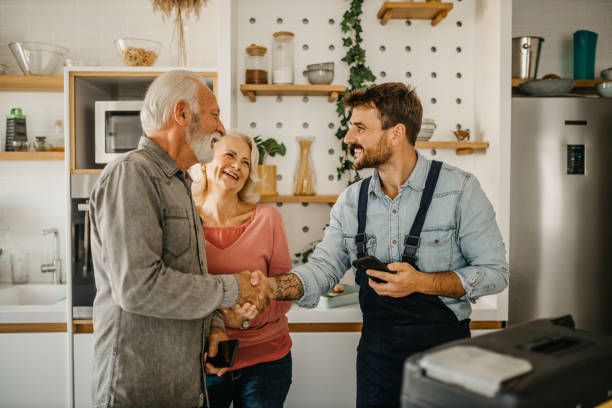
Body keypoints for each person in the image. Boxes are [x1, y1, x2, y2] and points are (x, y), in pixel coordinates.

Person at [251, 82, 509, 407]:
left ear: (396, 134)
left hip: (447, 359)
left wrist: (423, 283)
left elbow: (496, 273)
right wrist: (270, 287)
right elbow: (323, 269)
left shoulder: (460, 190)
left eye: (360, 128)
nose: (348, 139)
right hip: (378, 360)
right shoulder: (351, 201)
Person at [89, 70, 271, 408]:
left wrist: (215, 326)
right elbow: (138, 287)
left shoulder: (179, 184)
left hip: (183, 388)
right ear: (182, 114)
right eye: (214, 114)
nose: (220, 128)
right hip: (139, 390)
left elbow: (189, 276)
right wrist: (235, 287)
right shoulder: (132, 174)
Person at [191, 132, 293, 408]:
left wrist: (248, 316)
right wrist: (222, 321)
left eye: (246, 162)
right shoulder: (187, 221)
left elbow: (285, 290)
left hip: (266, 361)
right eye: (230, 156)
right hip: (205, 360)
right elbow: (179, 289)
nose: (238, 166)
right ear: (204, 162)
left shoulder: (268, 219)